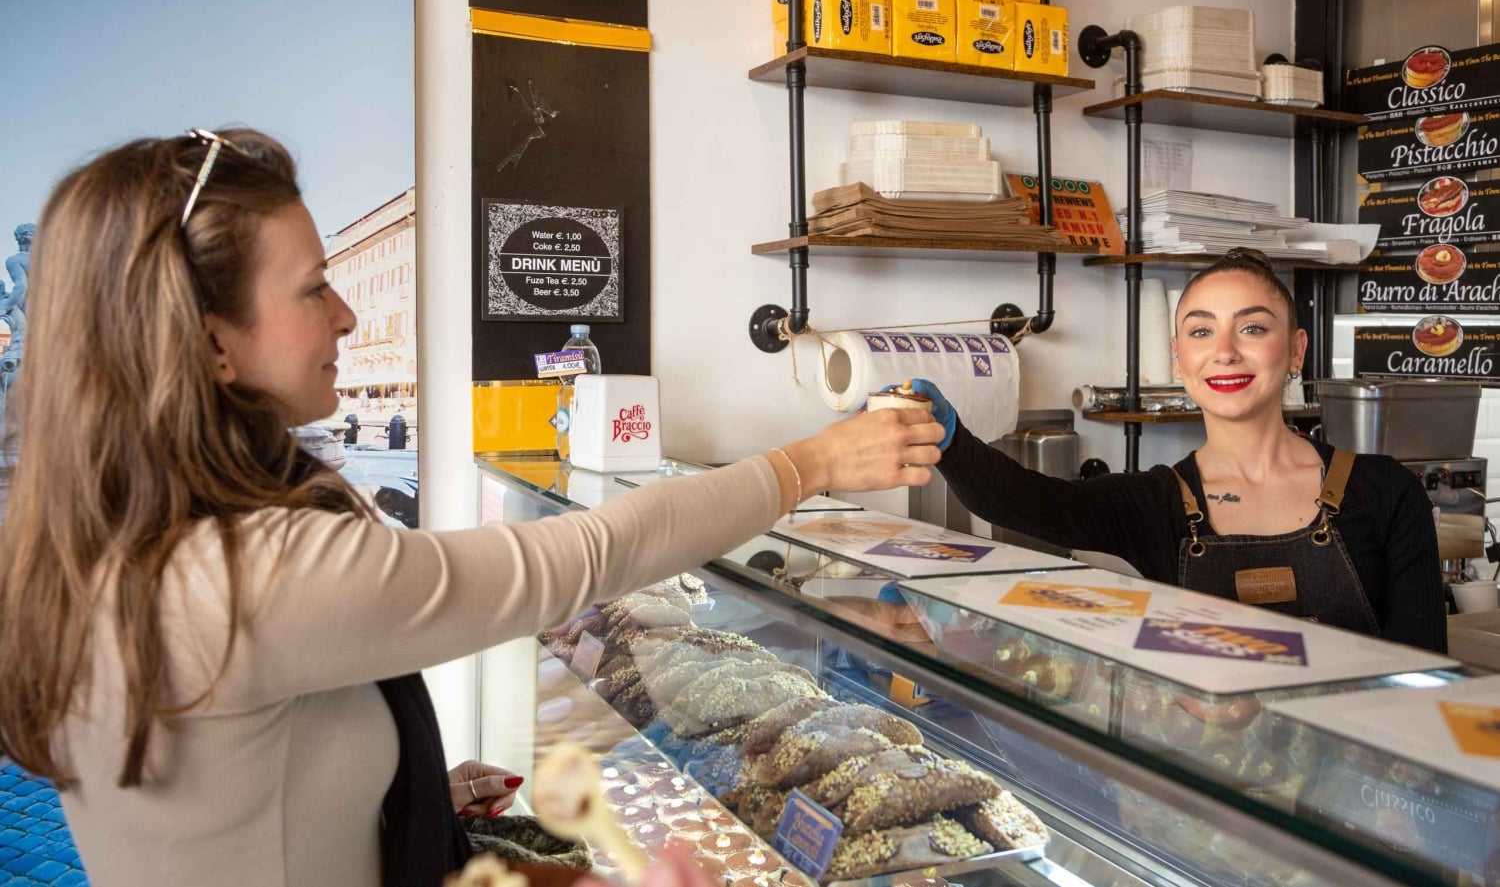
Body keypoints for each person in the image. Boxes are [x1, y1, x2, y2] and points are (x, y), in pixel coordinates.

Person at [0, 129, 944, 887]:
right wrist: (813, 459)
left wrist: (413, 803)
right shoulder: (246, 574)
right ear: (211, 343)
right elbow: (580, 556)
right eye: (311, 286)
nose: (346, 316)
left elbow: (236, 804)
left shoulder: (105, 543)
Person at [899, 248, 1444, 651]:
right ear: (1179, 360)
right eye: (1202, 333)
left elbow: (1426, 679)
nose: (1225, 352)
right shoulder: (1156, 503)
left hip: (1361, 789)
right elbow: (1021, 501)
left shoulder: (1386, 491)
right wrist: (951, 441)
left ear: (1296, 351)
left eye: (1252, 328)